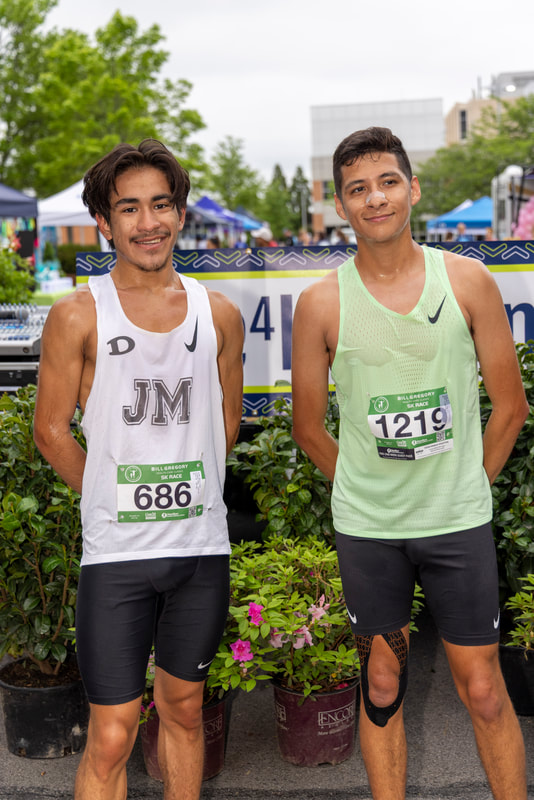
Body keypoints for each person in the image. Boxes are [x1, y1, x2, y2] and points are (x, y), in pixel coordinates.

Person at [291, 126, 528, 800]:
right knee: (382, 683)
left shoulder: (468, 281)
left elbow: (511, 407)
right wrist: (365, 490)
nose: (375, 198)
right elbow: (308, 427)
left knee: (484, 690)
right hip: (370, 532)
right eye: (358, 189)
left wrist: (463, 487)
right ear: (341, 204)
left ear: (413, 189)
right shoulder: (320, 303)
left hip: (456, 523)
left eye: (388, 182)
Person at [33, 138, 244, 800]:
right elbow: (50, 432)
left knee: (184, 712)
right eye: (129, 208)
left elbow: (226, 427)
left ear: (180, 214)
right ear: (104, 221)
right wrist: (112, 496)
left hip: (200, 553)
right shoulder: (76, 314)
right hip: (117, 558)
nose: (147, 222)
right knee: (112, 734)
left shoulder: (220, 315)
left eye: (161, 204)